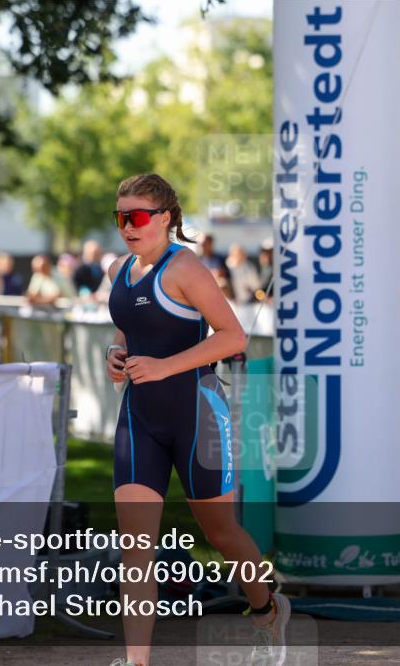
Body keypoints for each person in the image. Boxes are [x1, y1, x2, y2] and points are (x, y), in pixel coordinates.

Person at [105, 173, 289, 666]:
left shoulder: (185, 267)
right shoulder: (118, 270)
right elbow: (131, 330)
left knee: (221, 532)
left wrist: (164, 367)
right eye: (120, 217)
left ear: (164, 218)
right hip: (139, 419)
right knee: (136, 548)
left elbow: (232, 336)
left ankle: (267, 609)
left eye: (136, 216)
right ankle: (137, 661)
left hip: (197, 415)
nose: (127, 226)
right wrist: (115, 354)